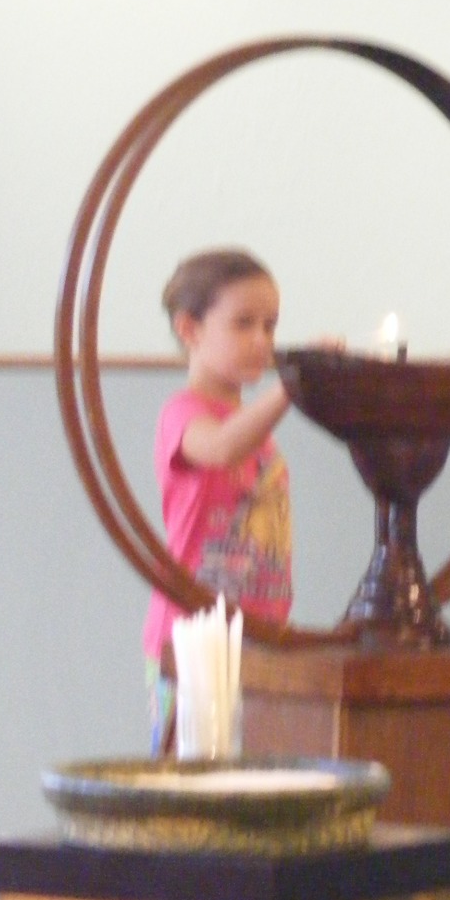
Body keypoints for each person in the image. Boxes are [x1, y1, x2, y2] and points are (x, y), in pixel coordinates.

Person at [143, 248, 294, 751]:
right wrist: (290, 389)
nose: (262, 341)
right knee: (189, 776)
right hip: (190, 642)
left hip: (255, 638)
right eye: (243, 324)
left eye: (270, 326)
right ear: (190, 329)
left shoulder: (259, 432)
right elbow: (222, 447)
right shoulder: (182, 413)